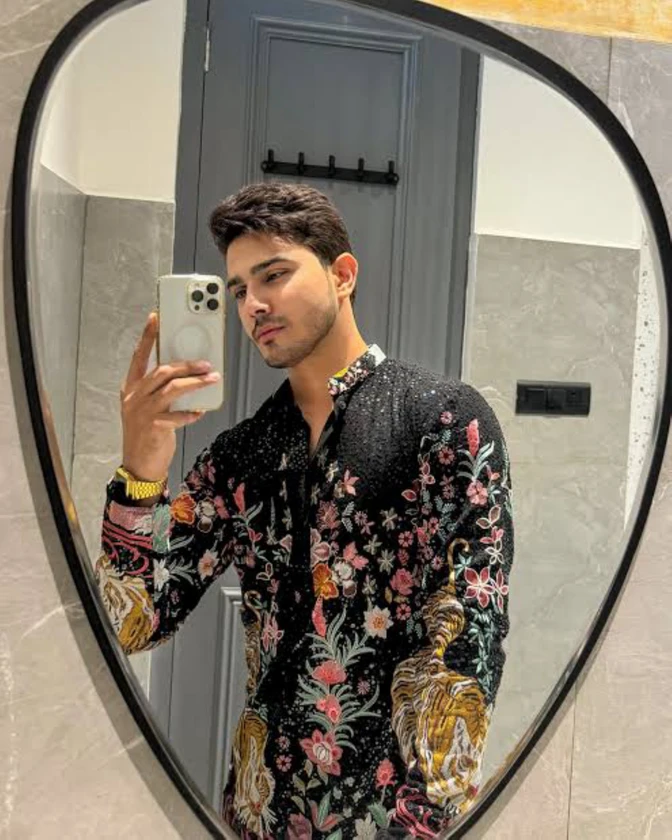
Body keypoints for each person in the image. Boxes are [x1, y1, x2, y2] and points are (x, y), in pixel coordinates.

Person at [94, 182, 514, 840]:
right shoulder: (241, 456)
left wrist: (423, 821)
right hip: (255, 816)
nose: (253, 304)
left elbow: (471, 638)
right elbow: (132, 624)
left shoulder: (442, 421)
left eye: (274, 274)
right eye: (238, 290)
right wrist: (140, 472)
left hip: (394, 824)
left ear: (342, 275)